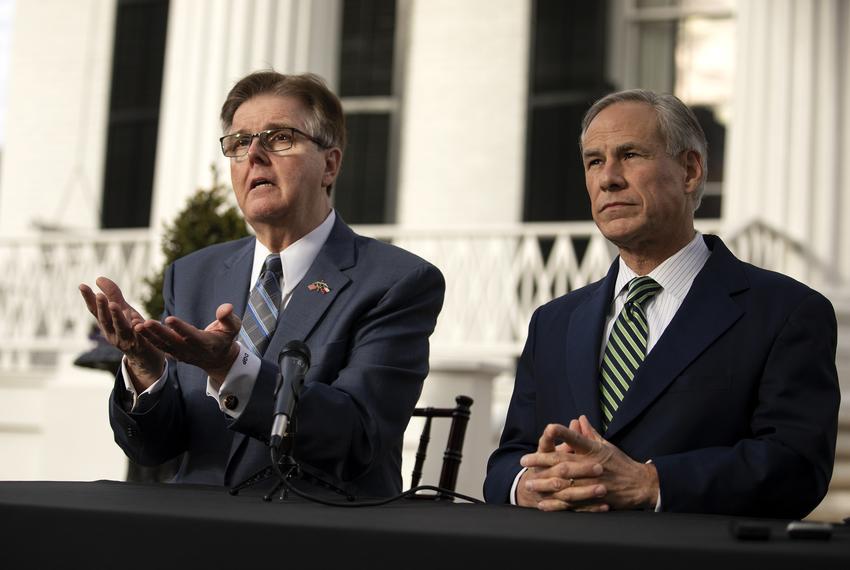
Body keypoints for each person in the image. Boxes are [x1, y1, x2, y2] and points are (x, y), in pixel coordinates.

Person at [79, 71, 445, 497]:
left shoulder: (395, 281)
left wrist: (228, 368)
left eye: (279, 138)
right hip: (192, 531)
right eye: (239, 143)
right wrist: (145, 366)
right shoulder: (193, 274)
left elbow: (357, 438)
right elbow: (153, 449)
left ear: (330, 164)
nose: (253, 154)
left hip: (314, 536)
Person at [484, 89, 839, 518]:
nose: (607, 178)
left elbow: (797, 467)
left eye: (630, 155)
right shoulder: (553, 322)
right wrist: (529, 484)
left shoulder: (787, 312)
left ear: (689, 171)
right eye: (595, 161)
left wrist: (651, 483)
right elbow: (507, 462)